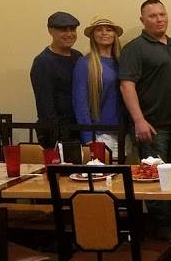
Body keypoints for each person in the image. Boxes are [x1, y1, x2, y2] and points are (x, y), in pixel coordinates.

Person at [118, 0, 171, 241]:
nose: (159, 19)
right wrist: (138, 120)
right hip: (152, 126)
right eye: (152, 16)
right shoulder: (134, 49)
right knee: (155, 177)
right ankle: (160, 223)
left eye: (162, 14)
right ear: (142, 20)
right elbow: (126, 85)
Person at [71, 16, 124, 158]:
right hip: (101, 133)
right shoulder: (85, 63)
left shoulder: (123, 62)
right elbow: (80, 103)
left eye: (109, 29)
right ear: (93, 35)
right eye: (99, 30)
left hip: (124, 132)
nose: (104, 33)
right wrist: (88, 136)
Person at [30, 11, 82, 148]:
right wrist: (55, 138)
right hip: (58, 132)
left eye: (72, 29)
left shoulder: (77, 56)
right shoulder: (43, 62)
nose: (69, 34)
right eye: (63, 30)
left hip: (77, 128)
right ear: (50, 31)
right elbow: (45, 106)